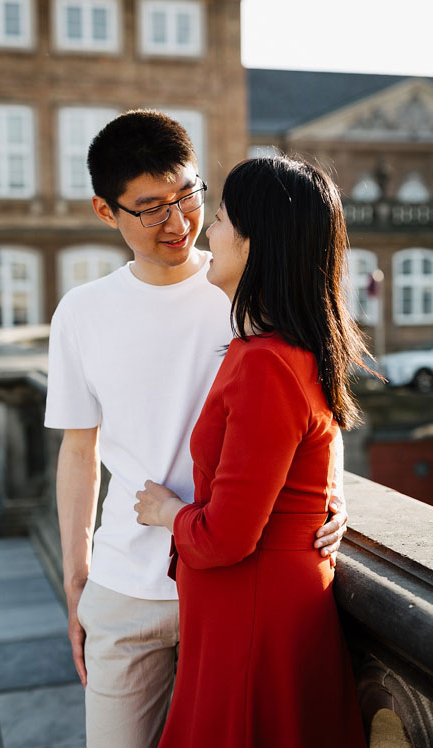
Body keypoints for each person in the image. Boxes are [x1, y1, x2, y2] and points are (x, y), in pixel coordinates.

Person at [44, 111, 348, 748]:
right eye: (151, 207)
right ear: (107, 212)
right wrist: (78, 579)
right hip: (129, 586)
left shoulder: (243, 282)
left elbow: (313, 384)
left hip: (237, 582)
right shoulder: (82, 312)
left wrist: (334, 487)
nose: (178, 223)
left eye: (188, 197)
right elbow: (79, 450)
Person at [133, 156, 367, 746]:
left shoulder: (266, 361)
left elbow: (225, 537)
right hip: (257, 606)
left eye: (218, 219)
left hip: (253, 614)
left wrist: (165, 513)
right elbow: (315, 458)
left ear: (255, 241)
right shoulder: (285, 349)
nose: (206, 234)